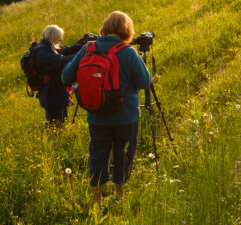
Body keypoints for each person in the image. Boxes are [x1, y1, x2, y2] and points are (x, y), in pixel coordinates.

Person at [62, 11, 151, 205]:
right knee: (123, 153)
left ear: (105, 27)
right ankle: (119, 194)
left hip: (97, 116)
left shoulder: (88, 48)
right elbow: (145, 82)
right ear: (126, 30)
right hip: (126, 117)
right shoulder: (128, 52)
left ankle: (97, 200)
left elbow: (66, 77)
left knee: (98, 155)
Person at [31, 25, 89, 130]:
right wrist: (82, 54)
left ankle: (54, 141)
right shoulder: (43, 53)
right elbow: (61, 61)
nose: (61, 40)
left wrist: (82, 42)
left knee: (59, 121)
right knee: (56, 123)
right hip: (52, 95)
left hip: (55, 92)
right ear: (52, 37)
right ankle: (53, 143)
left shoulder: (47, 47)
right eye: (59, 37)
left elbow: (66, 50)